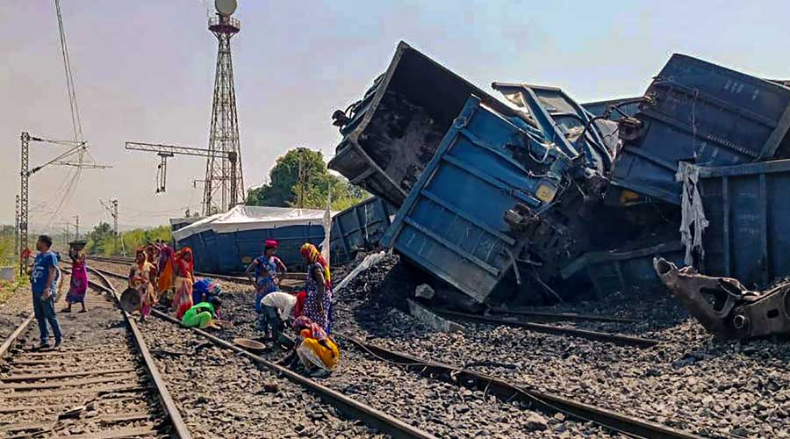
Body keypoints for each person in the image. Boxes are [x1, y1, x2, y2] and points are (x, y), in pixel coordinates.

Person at [29, 235, 63, 349]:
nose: (37, 244)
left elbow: (52, 273)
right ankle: (44, 340)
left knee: (50, 315)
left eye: (38, 242)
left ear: (44, 243)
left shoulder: (50, 256)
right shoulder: (38, 256)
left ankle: (58, 339)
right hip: (36, 289)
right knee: (40, 316)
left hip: (44, 290)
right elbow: (36, 269)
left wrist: (48, 288)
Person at [245, 240, 287, 328]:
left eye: (274, 250)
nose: (273, 252)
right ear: (267, 250)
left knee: (275, 307)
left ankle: (277, 327)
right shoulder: (259, 260)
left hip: (274, 288)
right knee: (262, 308)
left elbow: (284, 270)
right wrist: (254, 284)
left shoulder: (276, 260)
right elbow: (248, 271)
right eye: (272, 250)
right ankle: (264, 329)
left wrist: (279, 281)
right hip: (263, 289)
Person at [300, 243, 332, 333]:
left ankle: (319, 341)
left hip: (319, 297)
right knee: (310, 320)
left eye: (304, 256)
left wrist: (319, 302)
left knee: (318, 322)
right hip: (314, 297)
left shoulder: (315, 267)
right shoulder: (312, 266)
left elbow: (321, 283)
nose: (303, 258)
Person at [129, 248, 157, 321]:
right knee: (139, 301)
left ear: (144, 256)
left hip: (147, 285)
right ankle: (141, 314)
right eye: (138, 256)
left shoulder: (148, 265)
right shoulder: (134, 266)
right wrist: (131, 284)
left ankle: (144, 315)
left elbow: (153, 275)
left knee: (147, 301)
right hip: (137, 286)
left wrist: (153, 283)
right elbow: (131, 276)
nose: (140, 258)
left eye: (141, 256)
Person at [172, 247, 195, 319]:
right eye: (187, 255)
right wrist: (174, 282)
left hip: (188, 283)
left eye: (190, 255)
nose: (189, 256)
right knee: (182, 299)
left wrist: (193, 281)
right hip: (181, 282)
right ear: (183, 255)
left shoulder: (190, 263)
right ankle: (180, 314)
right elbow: (175, 273)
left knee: (189, 299)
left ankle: (187, 313)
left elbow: (191, 273)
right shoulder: (178, 262)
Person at [63, 245, 88, 313]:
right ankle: (83, 308)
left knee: (72, 291)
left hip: (77, 279)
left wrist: (71, 248)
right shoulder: (82, 261)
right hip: (82, 279)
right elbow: (72, 256)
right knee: (80, 293)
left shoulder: (77, 261)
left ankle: (69, 308)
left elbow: (71, 256)